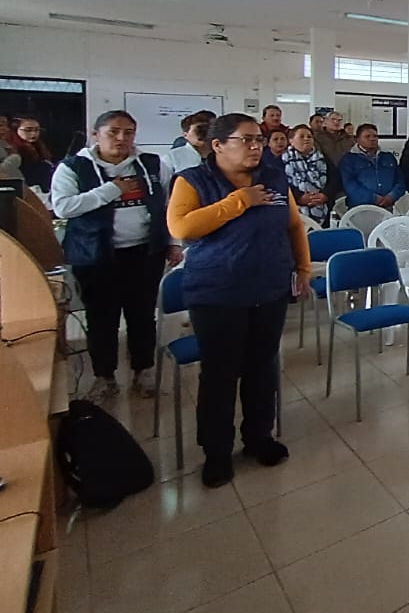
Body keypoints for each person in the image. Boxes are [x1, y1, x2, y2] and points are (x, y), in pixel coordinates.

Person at [167, 114, 310, 488]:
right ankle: (216, 451)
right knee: (220, 374)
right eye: (246, 140)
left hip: (270, 288)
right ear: (217, 145)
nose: (255, 147)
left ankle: (259, 437)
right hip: (218, 293)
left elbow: (294, 224)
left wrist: (303, 268)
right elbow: (181, 227)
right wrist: (239, 202)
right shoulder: (192, 180)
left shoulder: (273, 177)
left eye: (258, 140)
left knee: (263, 367)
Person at [51, 110, 182, 402]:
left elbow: (168, 206)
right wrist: (112, 189)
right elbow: (63, 207)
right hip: (95, 255)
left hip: (144, 252)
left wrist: (173, 242)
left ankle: (143, 370)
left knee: (142, 315)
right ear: (95, 134)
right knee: (102, 318)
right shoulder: (73, 167)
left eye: (128, 132)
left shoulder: (152, 164)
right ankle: (104, 376)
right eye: (113, 132)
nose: (122, 138)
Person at [340, 124, 406, 210]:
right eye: (367, 136)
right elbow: (349, 185)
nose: (372, 139)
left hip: (387, 207)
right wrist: (373, 198)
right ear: (357, 139)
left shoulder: (388, 157)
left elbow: (400, 181)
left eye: (375, 136)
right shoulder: (348, 159)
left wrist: (392, 196)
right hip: (360, 209)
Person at [282, 124, 331, 225]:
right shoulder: (283, 159)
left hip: (322, 205)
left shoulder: (322, 158)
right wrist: (299, 197)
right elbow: (279, 183)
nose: (306, 139)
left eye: (309, 136)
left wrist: (325, 195)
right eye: (301, 136)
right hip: (294, 207)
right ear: (291, 140)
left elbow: (334, 179)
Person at [9, 116, 55, 191]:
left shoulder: (39, 146)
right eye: (28, 130)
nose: (34, 133)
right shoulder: (12, 149)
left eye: (37, 130)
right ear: (15, 130)